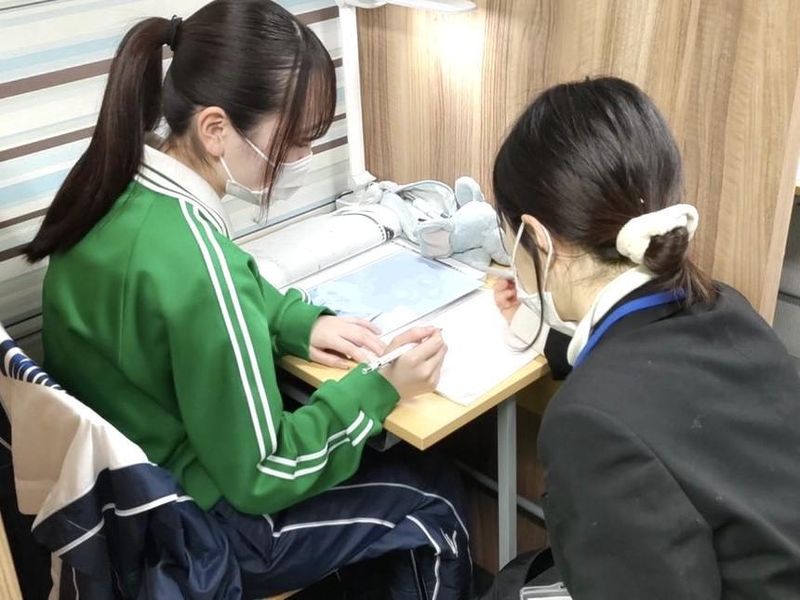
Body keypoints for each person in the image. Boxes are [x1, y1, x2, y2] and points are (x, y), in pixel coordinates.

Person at [25, 1, 471, 597]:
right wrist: (380, 388)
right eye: (294, 141)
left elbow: (212, 282)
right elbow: (265, 473)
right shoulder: (199, 267)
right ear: (215, 129)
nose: (302, 160)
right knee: (433, 499)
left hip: (121, 505)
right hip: (200, 529)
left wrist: (295, 322)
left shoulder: (113, 185)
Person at [492, 76, 800, 598]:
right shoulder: (722, 306)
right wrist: (538, 327)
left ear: (538, 239)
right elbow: (654, 388)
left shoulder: (588, 425)